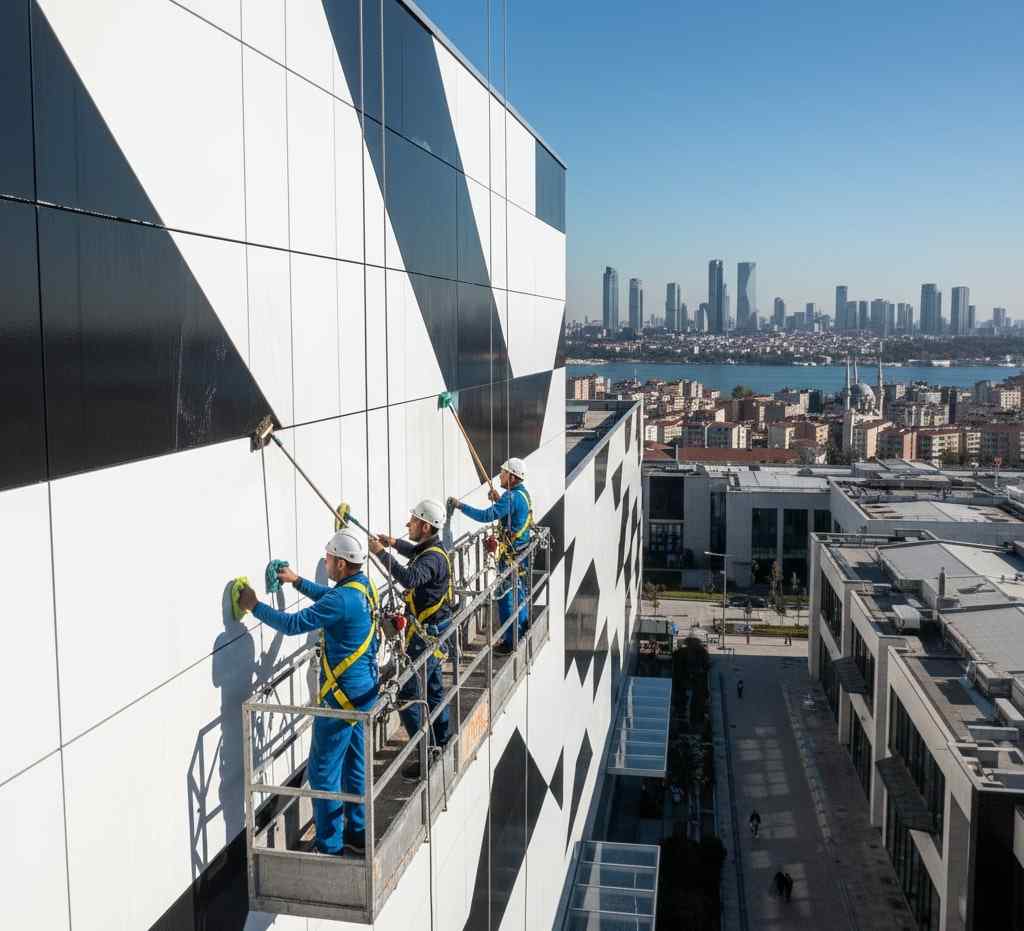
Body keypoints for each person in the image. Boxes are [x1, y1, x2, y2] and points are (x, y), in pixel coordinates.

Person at [237, 530, 378, 857]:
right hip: (364, 693)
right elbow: (331, 600)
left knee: (323, 772)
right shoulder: (362, 587)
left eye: (329, 559)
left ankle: (329, 846)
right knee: (354, 765)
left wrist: (253, 604)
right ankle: (357, 832)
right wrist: (296, 580)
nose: (326, 562)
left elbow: (292, 625)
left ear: (341, 564)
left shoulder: (341, 599)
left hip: (341, 701)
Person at [369, 499, 453, 781]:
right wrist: (393, 543)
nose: (409, 525)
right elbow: (415, 551)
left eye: (413, 521)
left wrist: (381, 554)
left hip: (427, 634)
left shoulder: (430, 559)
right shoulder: (433, 549)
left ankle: (426, 753)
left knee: (407, 693)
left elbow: (409, 578)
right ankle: (442, 741)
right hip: (435, 629)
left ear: (426, 526)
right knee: (434, 688)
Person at [449, 457, 533, 653]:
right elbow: (513, 512)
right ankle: (522, 628)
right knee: (519, 594)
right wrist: (499, 500)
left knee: (506, 599)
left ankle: (510, 642)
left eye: (504, 473)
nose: (500, 476)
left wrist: (460, 506)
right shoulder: (521, 494)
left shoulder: (510, 498)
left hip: (511, 556)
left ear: (512, 477)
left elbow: (486, 516)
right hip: (522, 553)